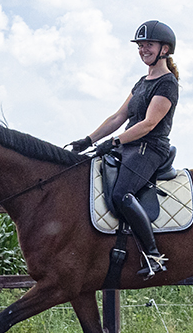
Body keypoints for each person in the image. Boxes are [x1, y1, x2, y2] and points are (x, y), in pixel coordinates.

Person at [67, 20, 180, 279]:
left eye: (148, 45)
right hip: (129, 145)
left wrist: (115, 142)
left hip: (149, 148)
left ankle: (153, 256)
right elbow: (119, 116)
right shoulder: (143, 81)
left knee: (122, 194)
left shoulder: (167, 83)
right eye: (140, 46)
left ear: (164, 49)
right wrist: (89, 139)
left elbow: (149, 124)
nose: (143, 50)